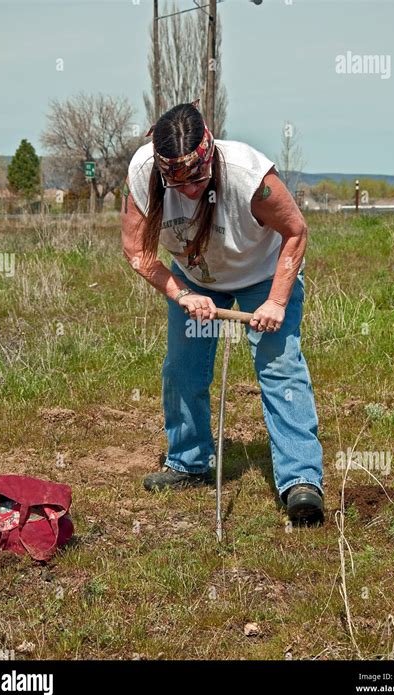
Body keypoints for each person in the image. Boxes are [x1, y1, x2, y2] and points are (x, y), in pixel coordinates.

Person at [121, 100, 324, 526]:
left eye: (197, 178)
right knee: (183, 369)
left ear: (209, 150)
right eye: (179, 184)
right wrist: (181, 295)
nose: (191, 190)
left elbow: (296, 231)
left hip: (264, 276)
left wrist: (277, 301)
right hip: (196, 278)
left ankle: (301, 480)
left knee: (280, 368)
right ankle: (189, 462)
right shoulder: (143, 174)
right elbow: (138, 252)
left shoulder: (251, 176)